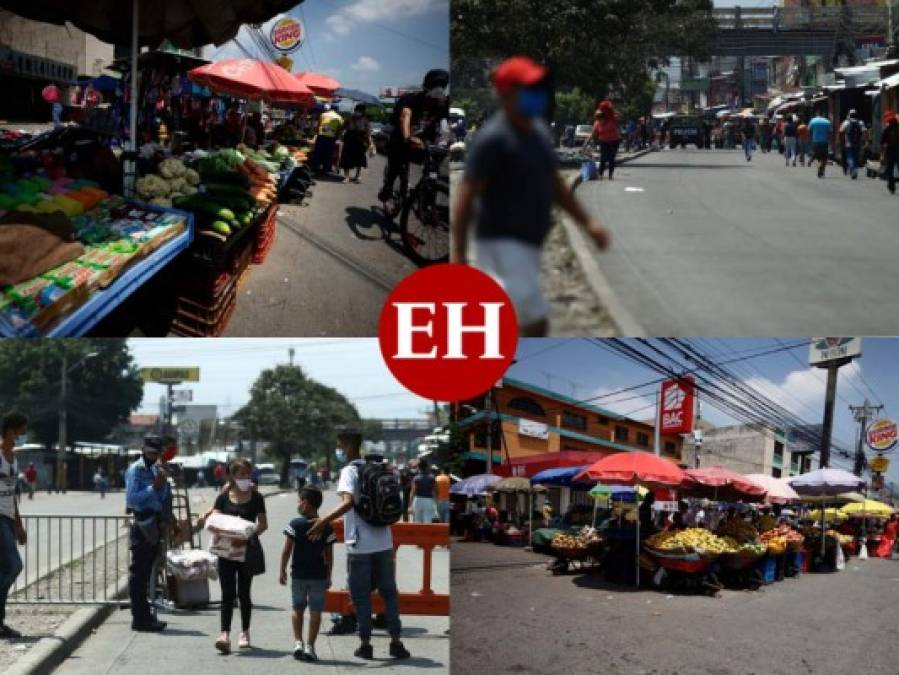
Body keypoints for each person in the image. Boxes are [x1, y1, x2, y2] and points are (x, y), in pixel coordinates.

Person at [451, 56, 610, 338]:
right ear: (506, 94)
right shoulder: (493, 140)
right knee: (527, 321)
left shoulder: (536, 131)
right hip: (502, 243)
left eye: (537, 88)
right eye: (527, 89)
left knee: (520, 321)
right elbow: (466, 198)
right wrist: (459, 255)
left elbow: (556, 184)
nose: (536, 95)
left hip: (529, 241)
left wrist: (588, 223)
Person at [308, 431, 409, 661]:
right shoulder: (376, 466)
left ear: (347, 446)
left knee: (361, 597)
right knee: (389, 593)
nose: (337, 449)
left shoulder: (350, 471)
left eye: (339, 445)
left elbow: (347, 503)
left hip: (359, 545)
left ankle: (365, 644)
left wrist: (323, 521)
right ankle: (396, 642)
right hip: (384, 542)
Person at [202, 459, 267, 654]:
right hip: (225, 553)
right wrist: (211, 520)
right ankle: (224, 634)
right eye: (241, 474)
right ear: (232, 476)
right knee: (227, 594)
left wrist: (247, 537)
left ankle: (245, 632)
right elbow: (216, 518)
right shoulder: (223, 497)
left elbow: (263, 524)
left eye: (248, 474)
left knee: (244, 593)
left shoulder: (256, 498)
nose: (245, 478)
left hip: (246, 551)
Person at [378, 69, 449, 209]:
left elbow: (452, 122)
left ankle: (426, 198)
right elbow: (406, 116)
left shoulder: (443, 103)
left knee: (433, 169)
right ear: (427, 85)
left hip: (424, 143)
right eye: (436, 84)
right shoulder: (411, 98)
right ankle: (388, 186)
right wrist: (408, 137)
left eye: (442, 84)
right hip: (402, 140)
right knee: (396, 165)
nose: (439, 88)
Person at [280, 487, 336, 662]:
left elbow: (287, 549)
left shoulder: (295, 524)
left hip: (298, 575)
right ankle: (310, 646)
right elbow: (329, 555)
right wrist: (328, 575)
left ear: (305, 503)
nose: (298, 504)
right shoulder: (325, 527)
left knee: (297, 608)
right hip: (318, 576)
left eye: (299, 501)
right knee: (315, 611)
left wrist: (282, 569)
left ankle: (298, 642)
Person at [125, 436, 171, 632]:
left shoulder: (155, 469)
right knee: (139, 574)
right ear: (143, 450)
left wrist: (162, 486)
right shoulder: (137, 469)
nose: (154, 456)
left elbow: (160, 498)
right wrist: (154, 487)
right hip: (142, 522)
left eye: (157, 453)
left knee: (146, 574)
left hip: (154, 521)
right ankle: (140, 618)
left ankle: (146, 616)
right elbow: (132, 499)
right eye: (151, 452)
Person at [0, 413, 27, 638]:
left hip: (8, 518)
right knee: (15, 565)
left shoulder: (14, 459)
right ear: (10, 431)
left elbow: (12, 494)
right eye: (20, 431)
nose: (22, 435)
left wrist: (19, 524)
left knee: (5, 570)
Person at [340, 103, 373, 184]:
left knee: (359, 160)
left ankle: (358, 176)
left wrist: (370, 144)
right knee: (346, 159)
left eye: (360, 111)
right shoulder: (349, 118)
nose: (358, 112)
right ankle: (346, 177)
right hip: (349, 140)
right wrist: (343, 131)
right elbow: (342, 127)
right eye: (357, 110)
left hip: (361, 142)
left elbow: (368, 133)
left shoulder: (366, 120)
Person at [589, 100, 621, 180]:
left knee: (611, 158)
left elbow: (619, 115)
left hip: (614, 141)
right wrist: (587, 142)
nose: (600, 120)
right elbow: (593, 133)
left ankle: (610, 175)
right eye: (598, 119)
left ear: (604, 116)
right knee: (603, 158)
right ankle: (600, 174)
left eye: (601, 118)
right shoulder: (597, 123)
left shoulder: (612, 120)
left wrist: (611, 110)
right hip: (603, 141)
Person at [310, 104, 344, 176]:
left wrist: (316, 134)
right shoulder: (339, 117)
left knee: (318, 152)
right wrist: (337, 138)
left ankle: (315, 168)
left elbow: (318, 126)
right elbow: (340, 130)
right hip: (331, 138)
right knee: (328, 154)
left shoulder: (323, 114)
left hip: (321, 136)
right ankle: (325, 170)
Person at [839, 109, 865, 180]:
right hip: (858, 143)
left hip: (848, 143)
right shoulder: (860, 122)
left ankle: (852, 170)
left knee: (850, 157)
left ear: (849, 115)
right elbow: (864, 131)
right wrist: (865, 141)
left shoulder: (846, 122)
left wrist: (841, 140)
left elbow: (840, 131)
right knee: (856, 157)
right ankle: (855, 172)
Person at [809, 112, 833, 178]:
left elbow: (809, 130)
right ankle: (821, 169)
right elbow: (830, 132)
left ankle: (813, 160)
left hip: (815, 142)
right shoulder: (827, 122)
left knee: (817, 155)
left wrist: (811, 140)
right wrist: (830, 141)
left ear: (816, 115)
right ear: (823, 116)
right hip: (824, 142)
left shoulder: (813, 121)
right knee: (824, 158)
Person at [881, 112, 899, 195]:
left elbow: (882, 142)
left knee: (890, 170)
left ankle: (891, 186)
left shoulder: (887, 129)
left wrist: (882, 153)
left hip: (891, 151)